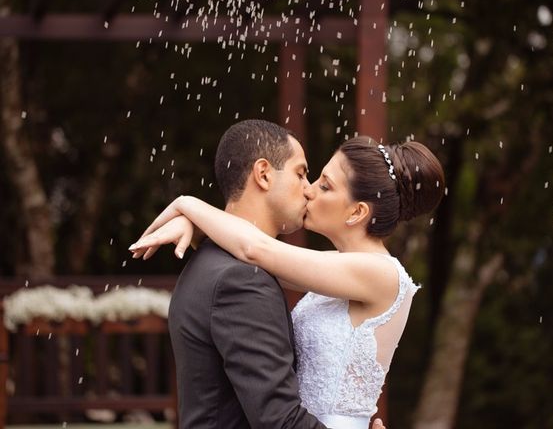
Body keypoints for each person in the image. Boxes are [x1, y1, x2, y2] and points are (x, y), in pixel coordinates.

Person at [131, 120, 444, 429]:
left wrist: (188, 206)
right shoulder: (333, 267)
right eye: (308, 176)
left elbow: (257, 250)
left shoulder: (379, 272)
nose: (310, 191)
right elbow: (256, 255)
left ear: (357, 212)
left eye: (325, 185)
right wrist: (197, 230)